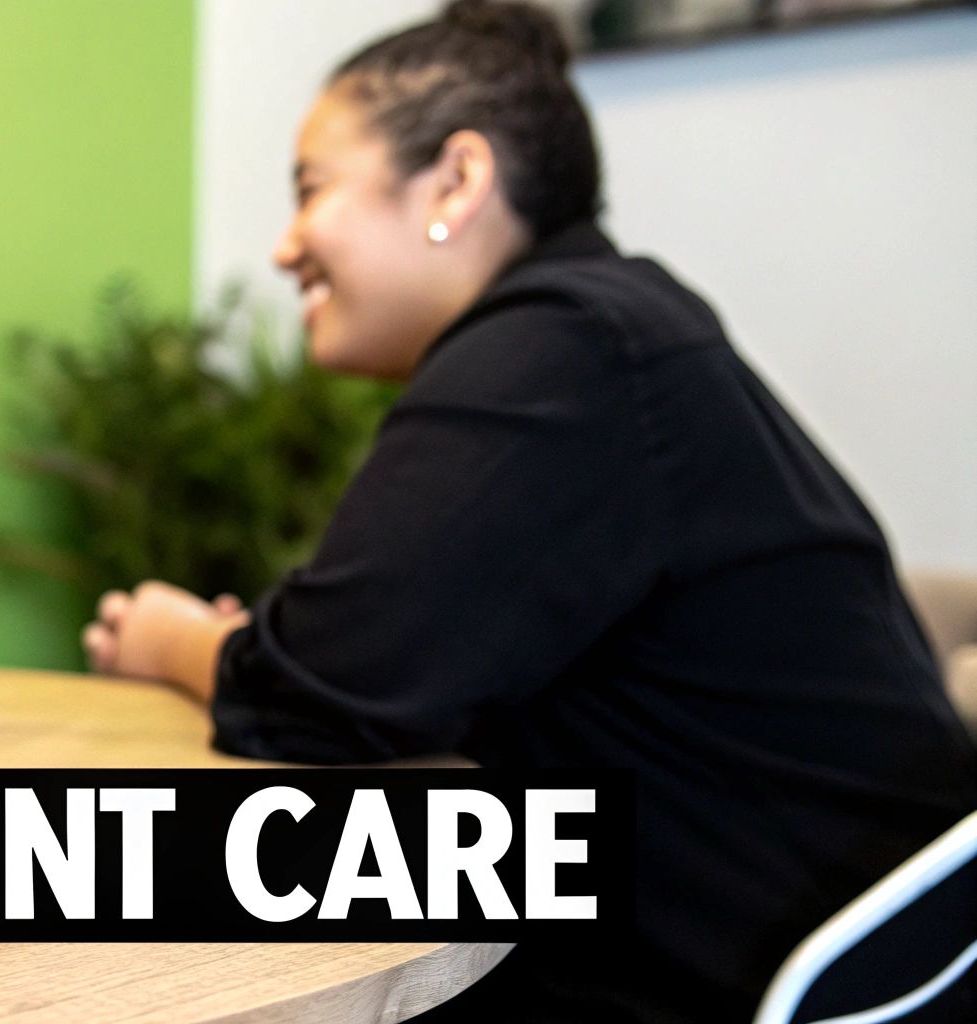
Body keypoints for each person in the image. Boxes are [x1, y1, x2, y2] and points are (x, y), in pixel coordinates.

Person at [82, 2, 977, 1020]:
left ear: (456, 182)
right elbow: (380, 659)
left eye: (309, 190)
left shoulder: (556, 350)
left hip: (760, 979)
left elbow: (321, 695)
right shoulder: (610, 326)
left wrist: (172, 639)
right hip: (869, 952)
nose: (284, 247)